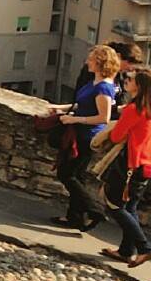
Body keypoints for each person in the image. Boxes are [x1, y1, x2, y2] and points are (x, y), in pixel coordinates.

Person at [47, 44, 120, 231]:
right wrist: (61, 108)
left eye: (91, 59)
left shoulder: (103, 88)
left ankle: (94, 209)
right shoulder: (94, 83)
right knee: (76, 175)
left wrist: (73, 118)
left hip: (88, 136)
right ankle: (75, 218)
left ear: (100, 62)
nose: (88, 61)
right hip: (80, 132)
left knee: (67, 174)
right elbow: (82, 104)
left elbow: (103, 117)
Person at [98, 68, 151, 269]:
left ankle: (145, 248)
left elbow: (117, 136)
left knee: (114, 205)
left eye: (131, 79)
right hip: (147, 165)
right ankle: (127, 251)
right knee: (130, 207)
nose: (126, 80)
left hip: (130, 166)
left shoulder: (133, 110)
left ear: (140, 86)